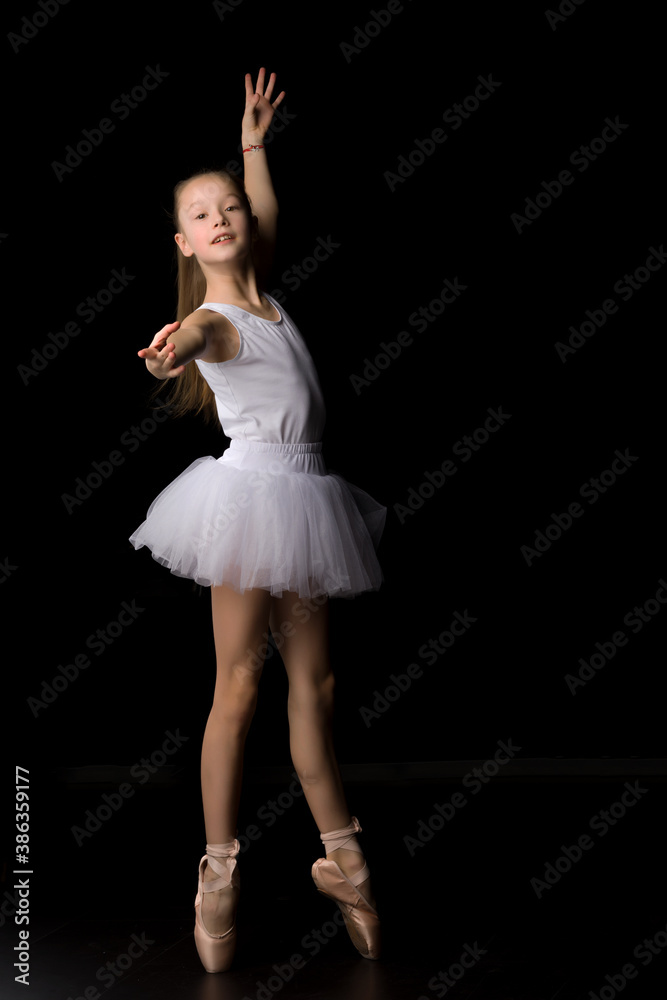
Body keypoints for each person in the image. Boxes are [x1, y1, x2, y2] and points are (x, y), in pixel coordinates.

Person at [130, 69, 385, 974]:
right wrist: (169, 355)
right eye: (203, 213)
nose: (224, 216)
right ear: (185, 242)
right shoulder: (213, 317)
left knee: (311, 695)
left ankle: (345, 859)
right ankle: (219, 872)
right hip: (251, 507)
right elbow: (189, 341)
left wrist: (252, 144)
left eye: (230, 205)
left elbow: (264, 206)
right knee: (236, 689)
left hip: (307, 503)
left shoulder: (266, 290)